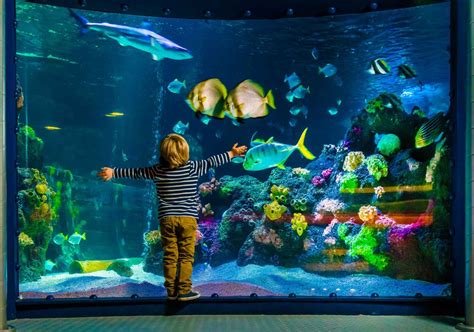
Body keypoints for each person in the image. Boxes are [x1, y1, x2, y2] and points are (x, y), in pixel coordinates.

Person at [98, 133, 247, 301]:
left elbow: (136, 172)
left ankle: (171, 290)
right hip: (187, 219)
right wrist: (232, 154)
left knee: (170, 254)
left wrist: (113, 172)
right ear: (185, 152)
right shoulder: (193, 167)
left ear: (163, 153)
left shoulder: (158, 170)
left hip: (167, 219)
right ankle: (183, 290)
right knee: (186, 255)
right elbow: (213, 161)